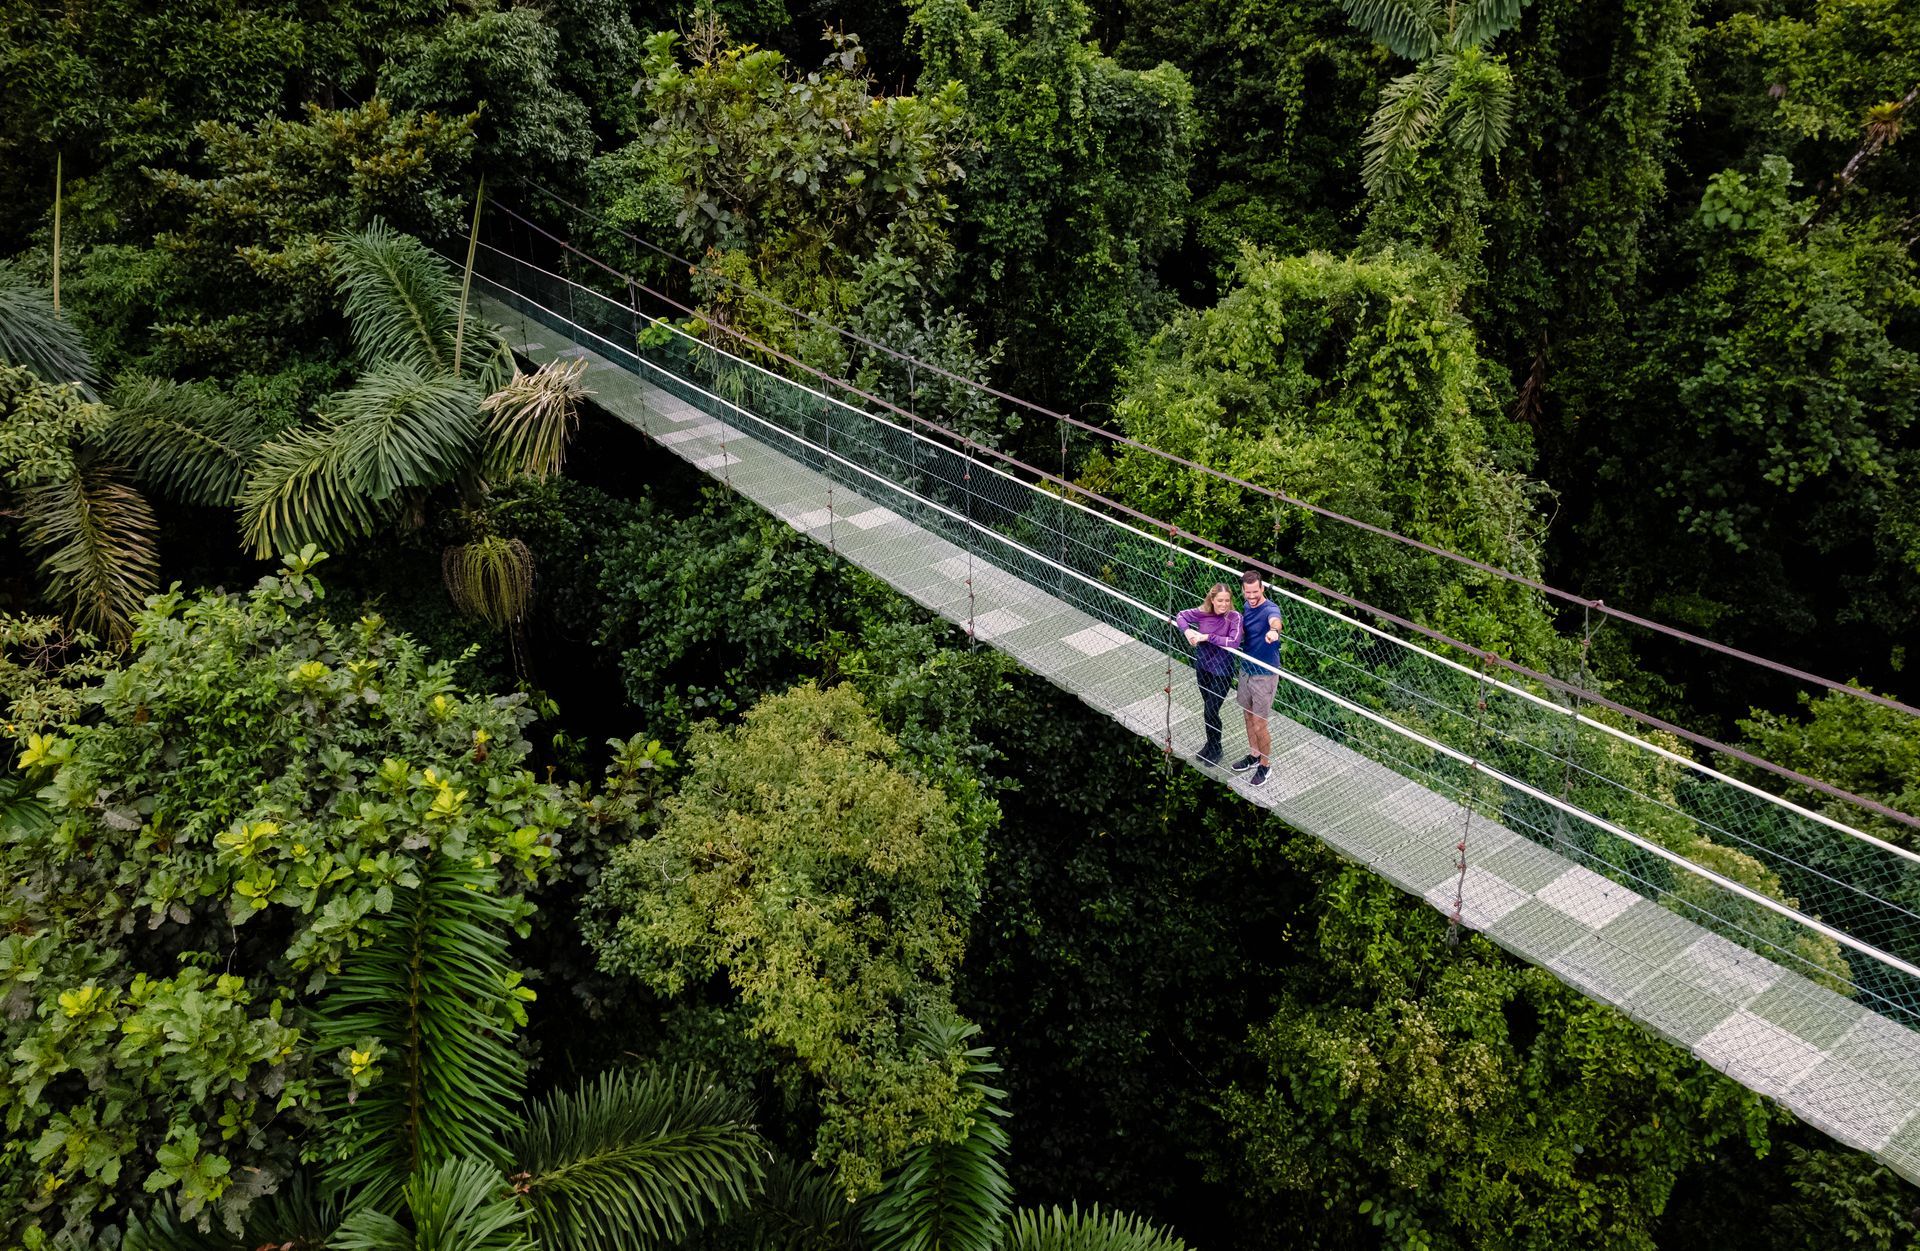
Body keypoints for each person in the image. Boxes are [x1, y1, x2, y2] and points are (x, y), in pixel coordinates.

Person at [1174, 583, 1244, 767]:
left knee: (1211, 710)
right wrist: (1188, 631)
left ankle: (1217, 748)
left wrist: (1207, 637)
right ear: (1212, 600)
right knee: (1207, 708)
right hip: (1203, 668)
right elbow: (1180, 616)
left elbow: (1234, 642)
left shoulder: (1235, 617)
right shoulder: (1203, 612)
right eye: (1220, 600)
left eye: (1227, 601)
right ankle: (1210, 743)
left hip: (1222, 672)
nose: (1224, 604)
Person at [1231, 570, 1283, 787]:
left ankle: (1265, 765)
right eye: (1247, 592)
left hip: (1264, 674)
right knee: (1247, 715)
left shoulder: (1270, 608)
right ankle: (1254, 756)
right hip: (1246, 669)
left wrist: (1273, 632)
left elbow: (1276, 621)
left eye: (1255, 592)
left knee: (1260, 724)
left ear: (1262, 589)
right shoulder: (1245, 606)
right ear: (1243, 590)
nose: (1251, 596)